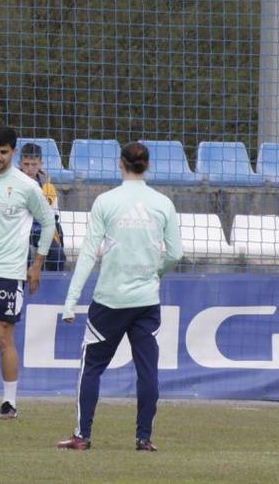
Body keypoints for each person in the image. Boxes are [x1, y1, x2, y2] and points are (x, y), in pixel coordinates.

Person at [56, 141, 182, 451]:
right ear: (147, 166)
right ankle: (144, 438)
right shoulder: (162, 203)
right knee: (147, 370)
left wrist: (71, 300)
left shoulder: (105, 201)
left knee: (92, 367)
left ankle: (82, 436)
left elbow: (87, 255)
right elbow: (176, 253)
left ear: (120, 164)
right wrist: (156, 273)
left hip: (110, 301)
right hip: (146, 302)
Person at [0, 126, 56, 420]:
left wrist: (36, 265)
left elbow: (48, 223)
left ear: (13, 153)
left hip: (8, 272)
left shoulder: (27, 186)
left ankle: (9, 402)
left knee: (3, 335)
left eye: (4, 152)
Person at [19, 143, 67, 271]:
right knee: (25, 255)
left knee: (58, 255)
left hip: (40, 230)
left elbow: (54, 218)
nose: (29, 168)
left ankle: (52, 286)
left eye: (34, 164)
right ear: (20, 164)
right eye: (26, 164)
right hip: (18, 230)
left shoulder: (48, 187)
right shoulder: (12, 184)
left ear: (41, 164)